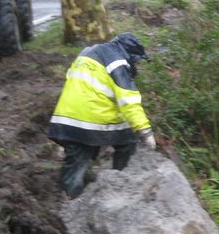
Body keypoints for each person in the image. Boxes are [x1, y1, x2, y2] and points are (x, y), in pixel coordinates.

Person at [47, 32, 157, 198]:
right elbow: (128, 101)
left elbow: (77, 87)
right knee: (126, 141)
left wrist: (64, 137)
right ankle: (117, 185)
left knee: (78, 159)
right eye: (137, 61)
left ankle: (74, 191)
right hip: (88, 121)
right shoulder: (118, 62)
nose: (137, 65)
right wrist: (145, 131)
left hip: (65, 118)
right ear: (130, 55)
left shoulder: (86, 53)